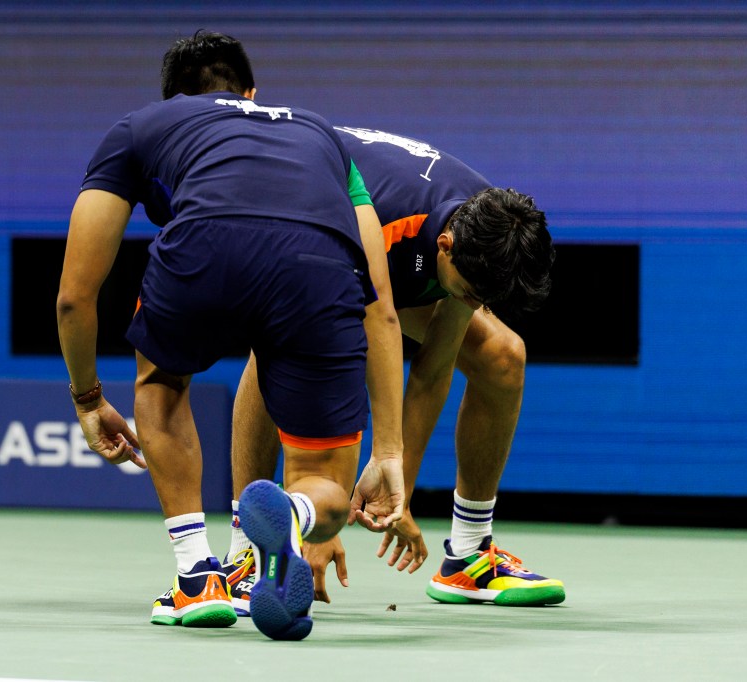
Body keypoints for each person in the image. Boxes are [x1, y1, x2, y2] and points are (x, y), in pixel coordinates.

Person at [56, 32, 405, 642]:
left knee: (162, 384)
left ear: (173, 100)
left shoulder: (143, 126)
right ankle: (295, 515)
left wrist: (87, 399)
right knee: (324, 476)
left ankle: (197, 578)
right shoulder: (320, 133)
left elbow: (73, 296)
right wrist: (392, 453)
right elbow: (381, 306)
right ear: (251, 94)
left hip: (206, 247)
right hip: (319, 270)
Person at [224, 126, 564, 611]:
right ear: (445, 244)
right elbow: (348, 363)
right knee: (280, 343)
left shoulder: (487, 230)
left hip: (398, 254)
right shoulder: (387, 228)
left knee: (502, 356)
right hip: (301, 215)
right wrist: (326, 518)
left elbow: (432, 369)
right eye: (471, 294)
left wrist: (395, 495)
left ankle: (470, 555)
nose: (477, 304)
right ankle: (247, 552)